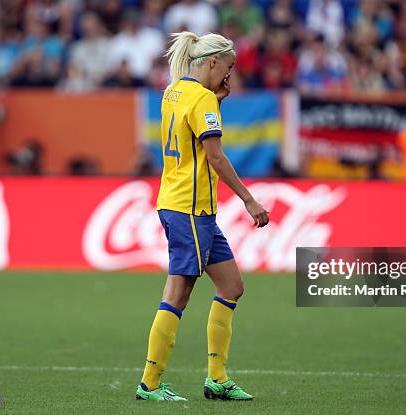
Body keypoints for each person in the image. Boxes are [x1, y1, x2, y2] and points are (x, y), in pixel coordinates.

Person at [135, 31, 270, 402]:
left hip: (187, 206)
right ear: (212, 62)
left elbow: (195, 136)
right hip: (188, 209)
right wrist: (249, 200)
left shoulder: (173, 91)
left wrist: (217, 102)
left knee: (232, 287)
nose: (230, 76)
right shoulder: (203, 98)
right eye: (228, 67)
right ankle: (149, 383)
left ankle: (217, 378)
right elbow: (215, 156)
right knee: (178, 293)